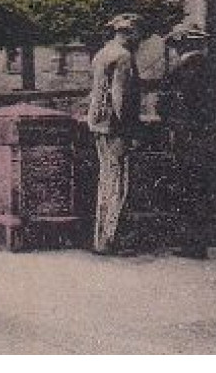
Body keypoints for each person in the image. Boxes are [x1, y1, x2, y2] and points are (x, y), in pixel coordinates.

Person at [158, 25, 216, 258]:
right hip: (212, 133)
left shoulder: (179, 72)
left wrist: (172, 129)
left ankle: (195, 246)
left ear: (181, 45)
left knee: (192, 190)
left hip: (189, 137)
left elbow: (169, 107)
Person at [88, 13, 144, 254]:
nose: (139, 38)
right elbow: (120, 96)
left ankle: (100, 237)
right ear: (129, 33)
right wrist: (130, 129)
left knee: (106, 179)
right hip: (115, 126)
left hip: (98, 123)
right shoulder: (123, 57)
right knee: (118, 181)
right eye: (137, 33)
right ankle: (112, 238)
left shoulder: (102, 53)